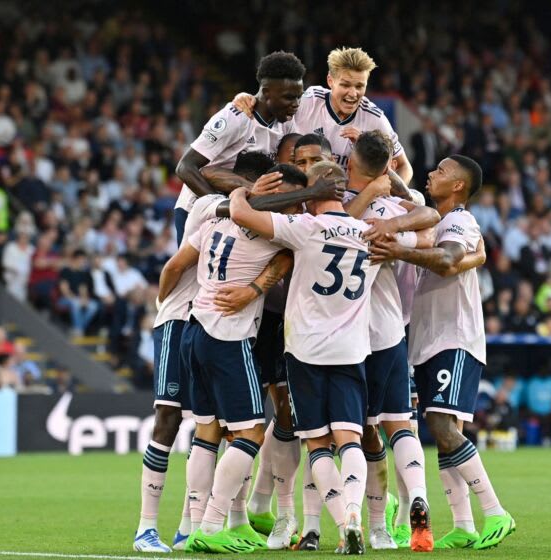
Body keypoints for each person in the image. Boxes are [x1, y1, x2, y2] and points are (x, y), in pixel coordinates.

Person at [230, 160, 414, 554]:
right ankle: (354, 511)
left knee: (317, 445)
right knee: (351, 438)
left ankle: (343, 520)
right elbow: (421, 220)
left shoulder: (305, 229)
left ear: (312, 193)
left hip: (306, 351)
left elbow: (241, 213)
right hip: (351, 350)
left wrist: (240, 191)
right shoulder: (366, 232)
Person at [158, 162, 324, 554]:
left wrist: (163, 306)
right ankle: (213, 526)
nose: (298, 212)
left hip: (192, 327)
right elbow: (287, 257)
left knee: (208, 430)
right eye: (293, 203)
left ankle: (193, 527)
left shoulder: (213, 220)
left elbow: (173, 267)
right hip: (227, 338)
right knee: (250, 431)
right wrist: (252, 289)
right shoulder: (275, 234)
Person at [369, 156, 515, 550]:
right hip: (427, 341)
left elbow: (449, 260)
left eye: (442, 171)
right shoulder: (436, 218)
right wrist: (387, 176)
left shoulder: (459, 222)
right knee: (442, 430)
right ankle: (464, 525)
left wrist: (397, 252)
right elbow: (465, 253)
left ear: (458, 187)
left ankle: (496, 512)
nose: (432, 173)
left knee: (441, 427)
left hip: (454, 337)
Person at [336, 131, 439, 551]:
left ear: (349, 165)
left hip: (345, 336)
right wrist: (395, 241)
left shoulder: (337, 212)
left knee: (357, 433)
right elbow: (430, 228)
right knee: (400, 423)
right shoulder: (400, 209)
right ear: (389, 168)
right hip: (390, 331)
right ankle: (418, 498)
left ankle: (371, 525)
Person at [173, 51, 306, 243]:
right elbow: (185, 167)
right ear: (266, 92)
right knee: (190, 273)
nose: (295, 105)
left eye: (298, 98)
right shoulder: (235, 118)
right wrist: (221, 206)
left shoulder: (286, 123)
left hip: (239, 207)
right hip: (198, 208)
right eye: (289, 98)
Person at [231, 47, 413, 184]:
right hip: (299, 191)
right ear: (330, 81)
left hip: (347, 198)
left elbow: (405, 167)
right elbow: (273, 105)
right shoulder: (309, 101)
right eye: (346, 85)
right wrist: (247, 97)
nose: (353, 93)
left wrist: (387, 195)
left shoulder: (374, 118)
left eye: (359, 86)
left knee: (416, 198)